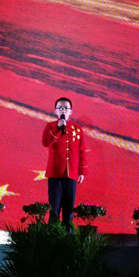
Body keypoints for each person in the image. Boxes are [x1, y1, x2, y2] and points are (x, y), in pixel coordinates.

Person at [41, 97, 87, 230]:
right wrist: (58, 128)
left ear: (71, 111)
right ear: (55, 111)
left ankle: (68, 235)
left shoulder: (77, 129)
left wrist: (82, 171)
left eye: (66, 108)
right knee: (54, 208)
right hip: (55, 173)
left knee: (69, 209)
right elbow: (45, 142)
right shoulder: (51, 126)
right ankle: (53, 234)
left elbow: (82, 151)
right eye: (60, 108)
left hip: (71, 173)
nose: (63, 110)